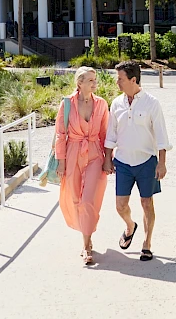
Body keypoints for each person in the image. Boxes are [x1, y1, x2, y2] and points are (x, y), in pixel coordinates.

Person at [103, 61, 172, 262]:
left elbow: (161, 135)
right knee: (120, 205)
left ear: (133, 80)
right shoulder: (117, 103)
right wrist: (108, 158)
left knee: (146, 203)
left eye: (120, 79)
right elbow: (111, 134)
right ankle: (130, 226)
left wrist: (162, 162)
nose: (117, 82)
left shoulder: (152, 103)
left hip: (146, 162)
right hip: (122, 162)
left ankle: (146, 244)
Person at [56, 66, 109, 265]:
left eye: (95, 80)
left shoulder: (102, 104)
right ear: (80, 83)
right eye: (90, 80)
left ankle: (86, 247)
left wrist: (108, 158)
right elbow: (61, 134)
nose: (95, 84)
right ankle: (86, 237)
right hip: (73, 154)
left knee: (88, 199)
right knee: (76, 198)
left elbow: (106, 133)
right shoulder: (67, 104)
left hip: (95, 153)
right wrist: (61, 162)